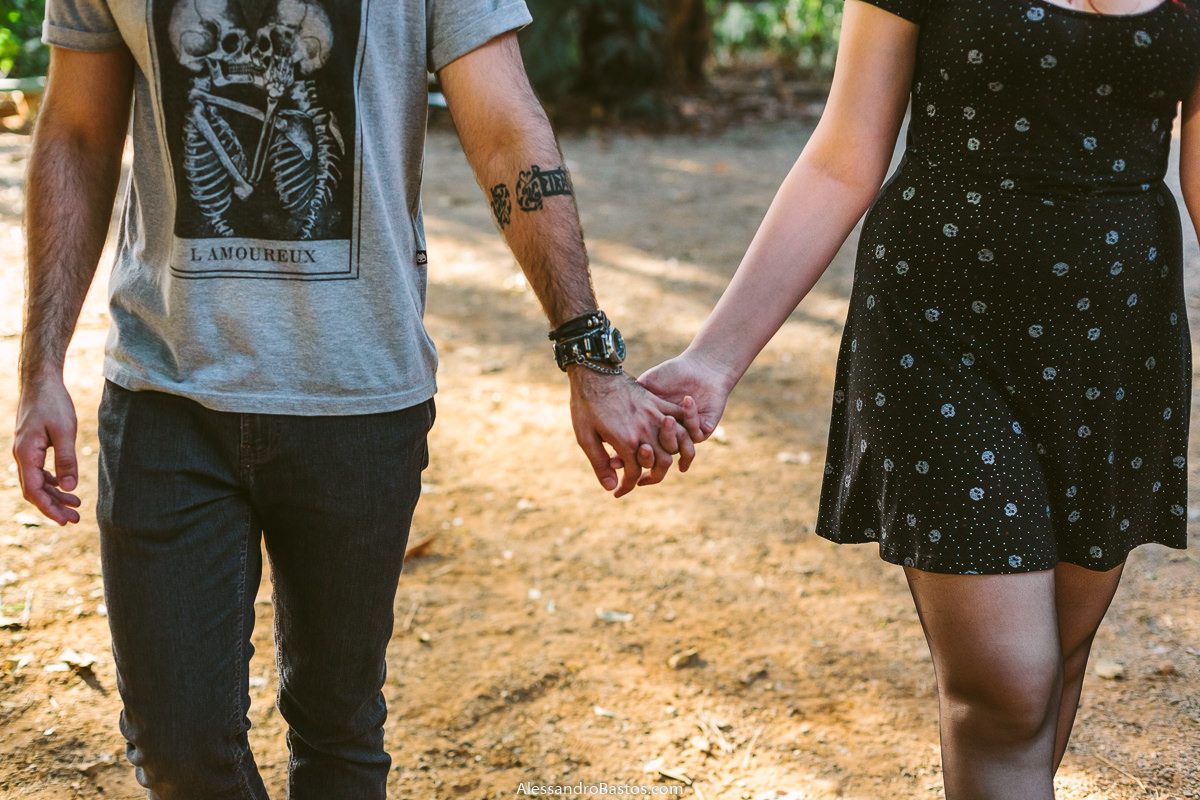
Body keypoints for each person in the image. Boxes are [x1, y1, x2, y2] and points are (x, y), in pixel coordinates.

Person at [12, 0, 699, 797]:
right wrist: (40, 366)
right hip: (167, 388)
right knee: (176, 747)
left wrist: (593, 358)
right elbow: (77, 131)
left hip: (361, 399)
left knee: (337, 727)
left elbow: (508, 132)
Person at [640, 0, 1200, 797]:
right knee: (1007, 685)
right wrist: (714, 361)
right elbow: (844, 156)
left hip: (1116, 347)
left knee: (1056, 665)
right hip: (939, 333)